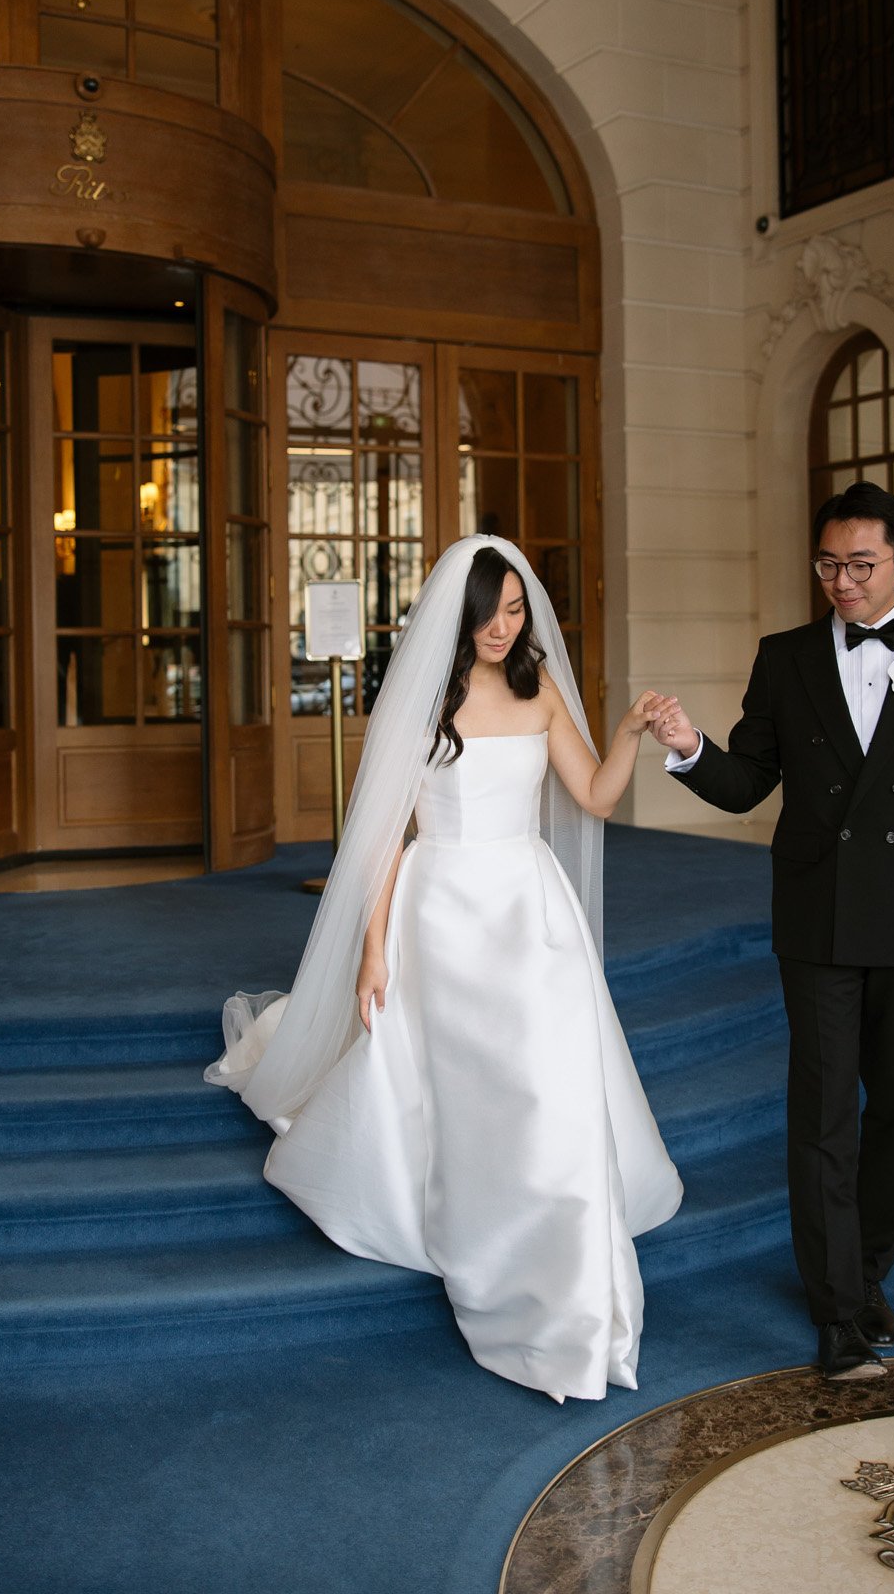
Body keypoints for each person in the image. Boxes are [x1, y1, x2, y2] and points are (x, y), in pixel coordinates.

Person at [206, 535, 682, 1402]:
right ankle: (481, 1226)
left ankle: (562, 1252)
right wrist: (372, 949)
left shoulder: (538, 697)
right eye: (488, 613)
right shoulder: (420, 705)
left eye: (514, 612)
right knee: (457, 1075)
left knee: (545, 1081)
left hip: (529, 908)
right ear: (456, 618)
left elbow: (597, 797)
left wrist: (624, 733)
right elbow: (386, 838)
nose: (502, 628)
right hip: (442, 909)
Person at [652, 481, 894, 1382]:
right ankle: (837, 1311)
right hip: (813, 914)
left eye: (859, 565)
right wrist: (690, 746)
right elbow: (746, 784)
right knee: (820, 1116)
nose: (841, 583)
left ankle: (869, 1270)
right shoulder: (785, 657)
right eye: (827, 565)